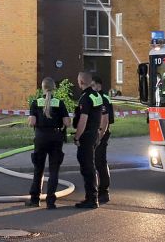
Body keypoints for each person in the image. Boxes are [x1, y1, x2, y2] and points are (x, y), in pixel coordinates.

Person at [27, 77, 71, 209]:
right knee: (54, 170)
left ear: (42, 88)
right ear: (54, 88)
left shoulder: (36, 103)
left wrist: (30, 120)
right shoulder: (60, 103)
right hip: (56, 137)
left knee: (38, 169)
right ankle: (51, 201)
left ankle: (35, 199)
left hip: (41, 137)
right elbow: (67, 122)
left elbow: (32, 123)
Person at [73, 70, 106, 209]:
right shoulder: (97, 96)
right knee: (91, 166)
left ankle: (91, 199)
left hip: (86, 136)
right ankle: (93, 196)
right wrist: (99, 132)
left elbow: (83, 119)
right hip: (94, 134)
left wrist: (77, 136)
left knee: (87, 167)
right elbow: (101, 116)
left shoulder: (85, 98)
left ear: (81, 81)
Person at [92, 75, 113, 204]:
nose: (92, 88)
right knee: (99, 162)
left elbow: (106, 120)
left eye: (93, 85)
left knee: (100, 162)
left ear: (98, 85)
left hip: (101, 133)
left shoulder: (102, 98)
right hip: (99, 133)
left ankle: (104, 191)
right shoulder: (100, 97)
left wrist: (100, 135)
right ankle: (101, 190)